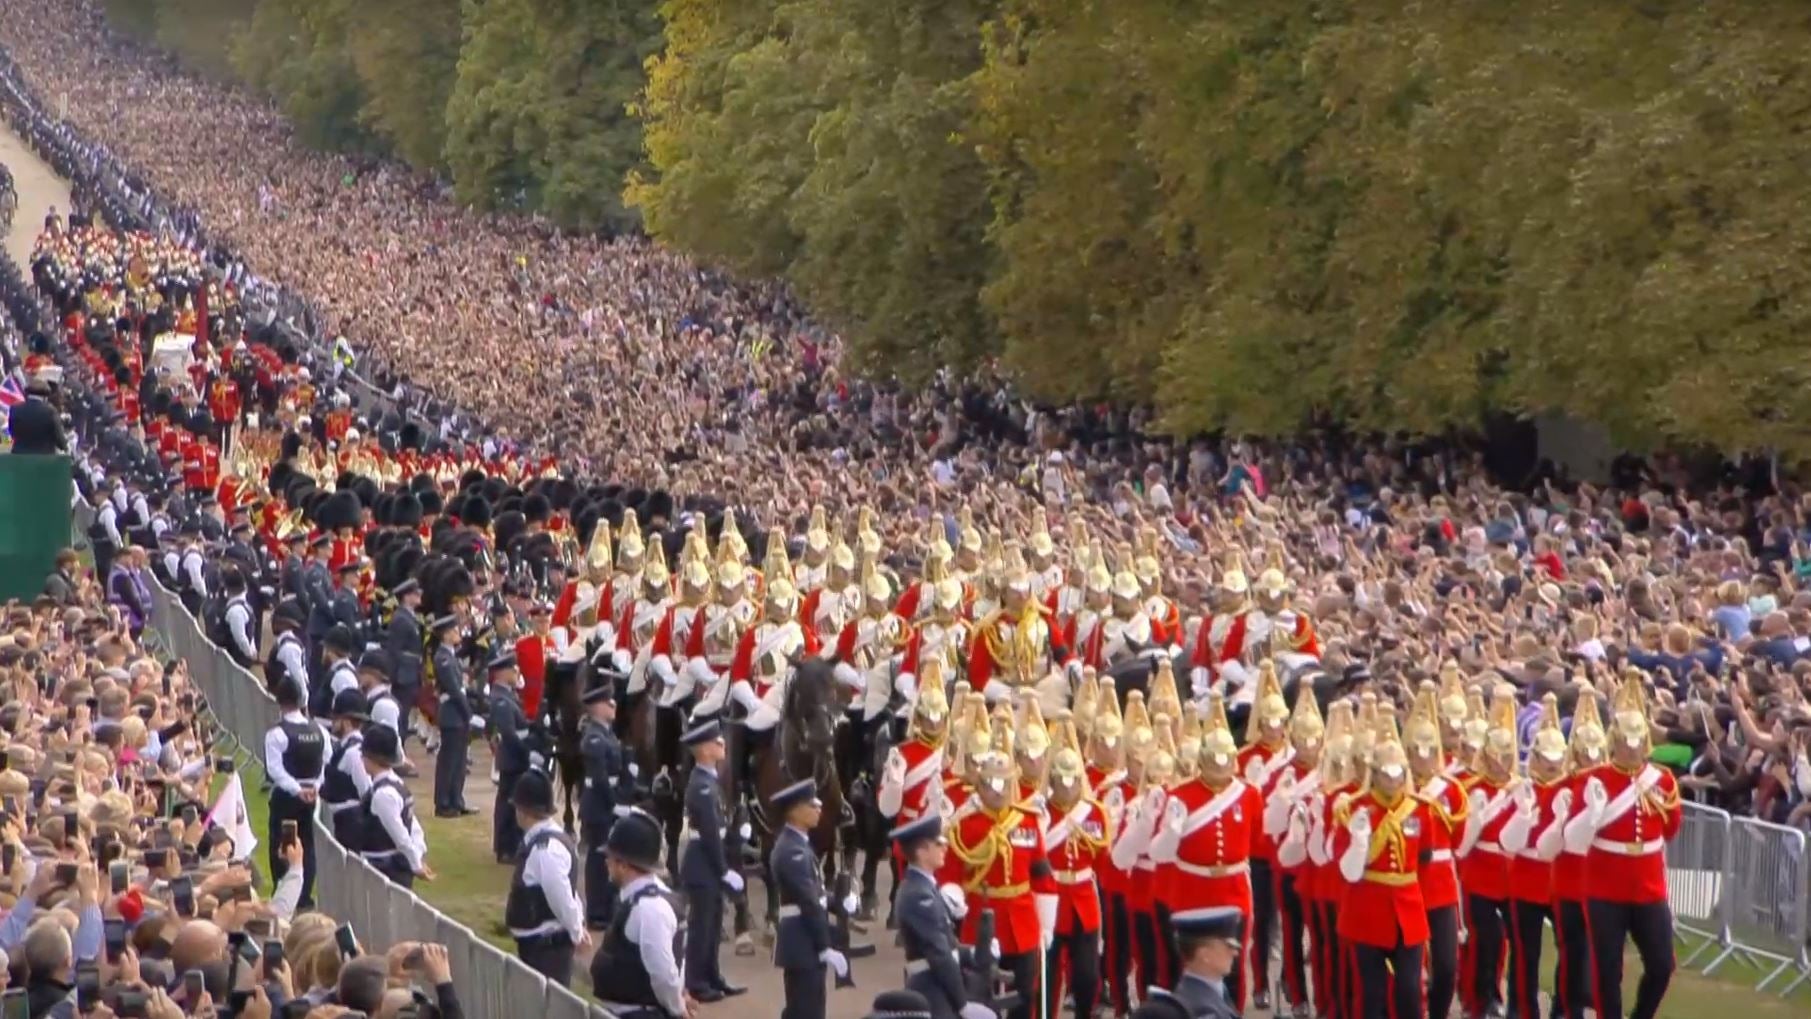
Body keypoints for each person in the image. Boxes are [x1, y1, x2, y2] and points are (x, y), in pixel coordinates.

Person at [1562, 669, 1683, 1019]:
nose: (1631, 750)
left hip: (1648, 887)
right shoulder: (1593, 779)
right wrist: (1596, 811)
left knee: (1662, 964)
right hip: (1605, 887)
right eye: (1625, 742)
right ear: (1614, 739)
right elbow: (1575, 839)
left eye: (1637, 741)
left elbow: (1670, 828)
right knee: (1607, 969)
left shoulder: (1661, 780)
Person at [590, 808, 691, 1019]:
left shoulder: (650, 909)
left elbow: (663, 973)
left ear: (625, 865)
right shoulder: (640, 899)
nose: (606, 862)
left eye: (611, 857)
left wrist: (679, 1009)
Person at [678, 720, 744, 1001]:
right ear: (704, 750)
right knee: (701, 925)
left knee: (714, 923)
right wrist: (723, 869)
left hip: (709, 861)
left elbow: (718, 825)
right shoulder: (702, 784)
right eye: (717, 742)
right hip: (703, 862)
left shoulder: (710, 780)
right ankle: (696, 981)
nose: (723, 745)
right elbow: (708, 833)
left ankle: (712, 976)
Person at [889, 815, 979, 1019]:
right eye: (938, 844)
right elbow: (939, 953)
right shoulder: (918, 894)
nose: (944, 848)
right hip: (930, 989)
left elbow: (948, 943)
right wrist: (962, 1003)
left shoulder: (925, 886)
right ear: (922, 851)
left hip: (935, 984)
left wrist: (973, 952)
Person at [769, 778, 844, 1019]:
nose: (818, 809)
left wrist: (837, 901)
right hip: (802, 942)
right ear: (794, 811)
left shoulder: (799, 845)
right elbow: (808, 900)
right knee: (806, 1011)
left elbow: (815, 892)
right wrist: (824, 947)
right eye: (812, 805)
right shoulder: (791, 850)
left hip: (804, 941)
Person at [507, 768, 589, 985]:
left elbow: (560, 895)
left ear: (523, 810)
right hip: (540, 946)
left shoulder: (546, 849)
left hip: (546, 949)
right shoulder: (541, 840)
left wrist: (576, 930)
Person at [262, 677, 328, 908]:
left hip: (286, 797)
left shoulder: (277, 734)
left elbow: (275, 770)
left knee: (282, 843)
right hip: (311, 795)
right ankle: (304, 896)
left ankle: (284, 892)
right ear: (301, 700)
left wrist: (297, 789)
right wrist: (315, 787)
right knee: (307, 845)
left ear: (278, 701)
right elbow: (325, 761)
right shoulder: (319, 730)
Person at [359, 724, 432, 887]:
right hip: (393, 866)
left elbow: (400, 836)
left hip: (384, 869)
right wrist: (417, 855)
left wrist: (416, 864)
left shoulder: (383, 794)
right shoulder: (397, 784)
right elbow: (414, 827)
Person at [579, 680, 627, 929]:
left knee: (606, 856)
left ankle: (606, 908)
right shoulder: (594, 738)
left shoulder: (607, 733)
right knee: (598, 860)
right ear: (598, 707)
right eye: (609, 702)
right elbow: (599, 779)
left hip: (607, 801)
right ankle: (597, 912)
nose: (614, 705)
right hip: (599, 805)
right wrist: (614, 804)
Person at [431, 613, 476, 817]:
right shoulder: (443, 658)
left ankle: (456, 799)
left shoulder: (451, 656)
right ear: (446, 635)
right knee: (449, 761)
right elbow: (454, 689)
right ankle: (443, 803)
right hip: (452, 713)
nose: (459, 633)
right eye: (455, 630)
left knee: (459, 760)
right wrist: (468, 713)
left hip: (457, 713)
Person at [487, 650, 530, 860]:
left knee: (510, 801)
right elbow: (509, 733)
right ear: (503, 673)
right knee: (508, 804)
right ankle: (506, 848)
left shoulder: (507, 695)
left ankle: (508, 846)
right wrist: (528, 752)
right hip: (513, 759)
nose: (517, 673)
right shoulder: (502, 699)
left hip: (513, 759)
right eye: (514, 670)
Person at [1166, 906, 1244, 1019]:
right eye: (1229, 946)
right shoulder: (1203, 1011)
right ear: (1205, 955)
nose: (1235, 953)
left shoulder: (1211, 991)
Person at [321, 688, 373, 848]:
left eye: (336, 719)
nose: (333, 723)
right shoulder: (343, 747)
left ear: (346, 721)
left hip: (351, 825)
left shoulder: (354, 753)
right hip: (342, 823)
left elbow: (366, 790)